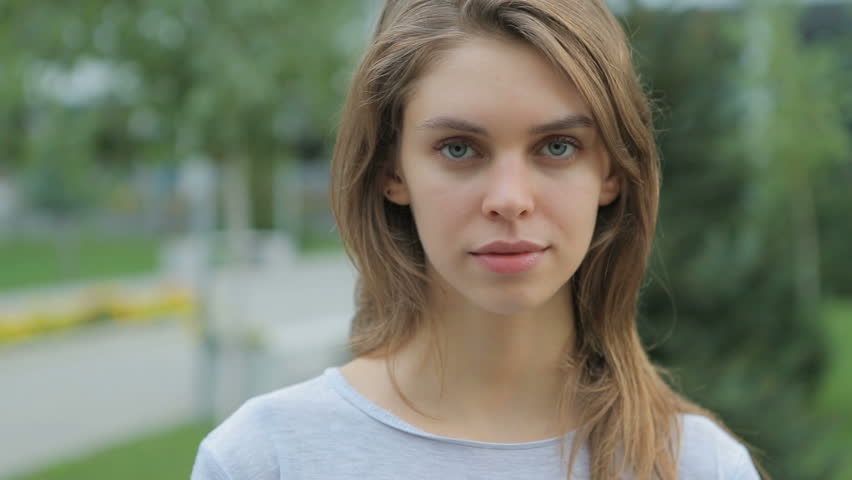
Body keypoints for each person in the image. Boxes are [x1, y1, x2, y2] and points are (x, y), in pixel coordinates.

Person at [190, 0, 766, 478]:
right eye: (460, 148)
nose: (510, 198)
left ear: (611, 172)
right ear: (393, 172)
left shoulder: (697, 466)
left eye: (558, 146)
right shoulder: (265, 458)